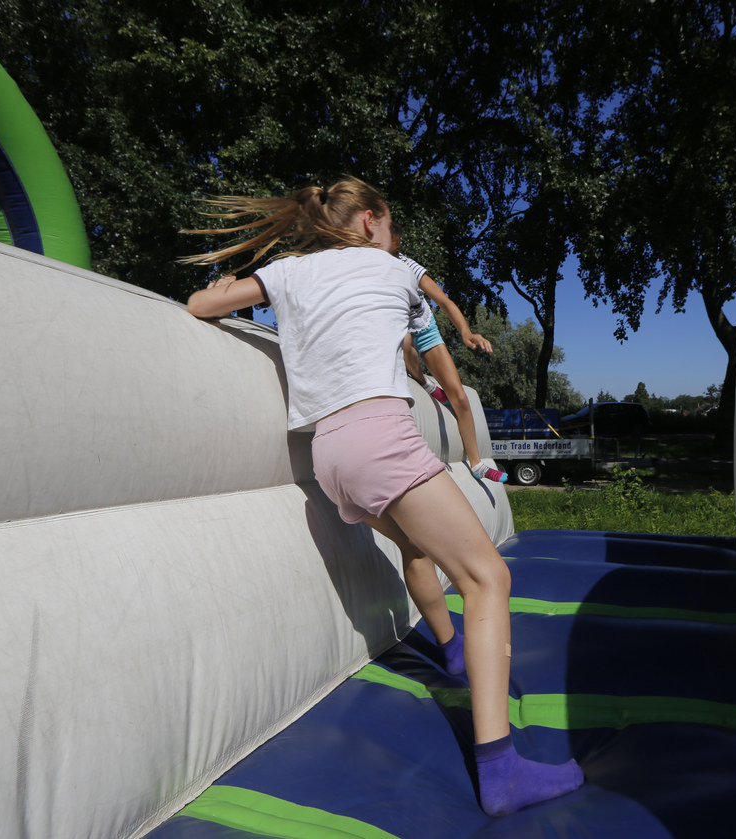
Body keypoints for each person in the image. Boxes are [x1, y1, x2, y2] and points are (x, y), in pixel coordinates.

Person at [181, 177, 583, 816]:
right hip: (380, 437)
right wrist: (459, 333)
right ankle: (501, 771)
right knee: (488, 579)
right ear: (370, 220)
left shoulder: (289, 272)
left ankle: (453, 649)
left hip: (331, 455)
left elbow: (203, 305)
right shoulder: (392, 267)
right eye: (392, 225)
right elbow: (433, 318)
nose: (396, 238)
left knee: (417, 548)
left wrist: (236, 285)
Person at [388, 219, 507, 484]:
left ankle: (476, 463)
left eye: (397, 249)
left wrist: (466, 332)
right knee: (405, 343)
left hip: (423, 326)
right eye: (390, 249)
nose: (395, 254)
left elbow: (444, 300)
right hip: (398, 328)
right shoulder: (368, 267)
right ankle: (422, 380)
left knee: (460, 398)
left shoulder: (408, 266)